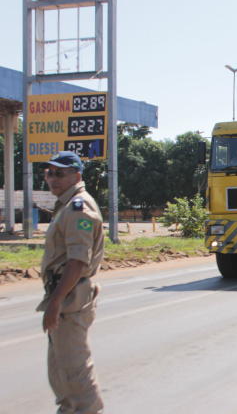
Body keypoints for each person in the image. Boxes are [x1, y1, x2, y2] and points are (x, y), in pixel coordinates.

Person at [36, 151, 104, 414]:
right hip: (63, 296)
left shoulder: (78, 207)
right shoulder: (66, 205)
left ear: (77, 175)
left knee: (75, 374)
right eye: (49, 173)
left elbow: (77, 260)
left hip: (69, 299)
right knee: (61, 375)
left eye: (59, 173)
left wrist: (55, 303)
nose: (52, 178)